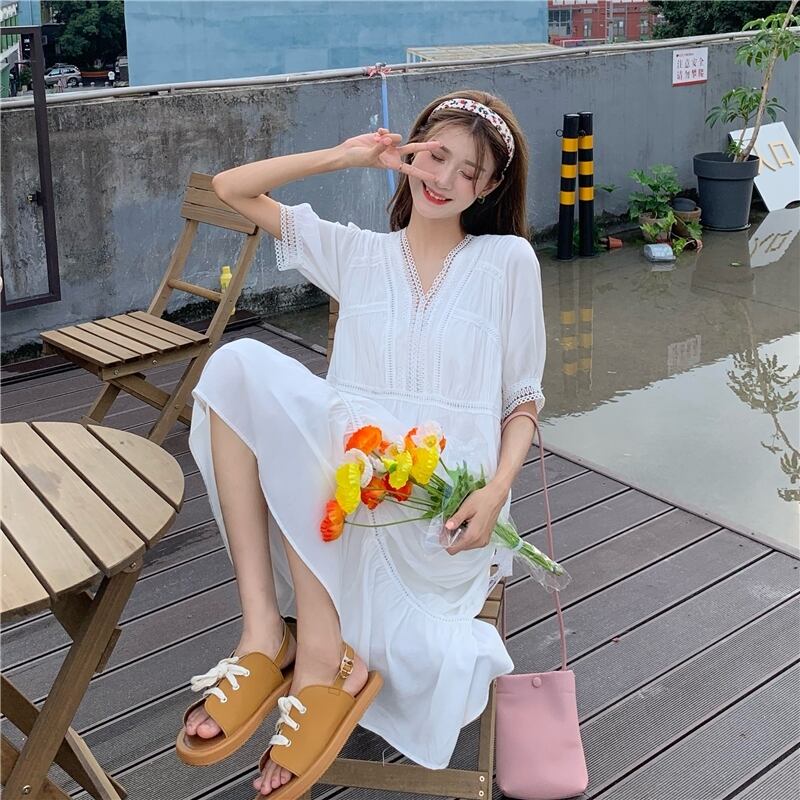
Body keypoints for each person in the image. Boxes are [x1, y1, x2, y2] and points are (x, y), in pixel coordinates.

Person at [177, 88, 546, 796]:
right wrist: (344, 156)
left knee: (321, 425)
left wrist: (498, 490)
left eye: (469, 171)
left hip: (444, 517)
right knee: (233, 365)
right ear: (409, 151)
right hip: (345, 505)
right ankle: (267, 636)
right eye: (435, 155)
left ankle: (321, 660)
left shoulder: (507, 261)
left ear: (490, 186)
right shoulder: (359, 254)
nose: (444, 178)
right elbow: (231, 190)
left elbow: (522, 399)